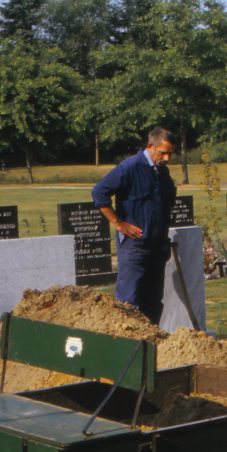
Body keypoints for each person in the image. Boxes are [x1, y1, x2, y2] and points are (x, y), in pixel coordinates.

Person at [91, 127, 177, 325]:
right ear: (150, 146)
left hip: (157, 247)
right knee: (128, 303)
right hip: (135, 247)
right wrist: (119, 223)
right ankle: (126, 351)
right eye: (163, 152)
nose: (167, 157)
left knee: (153, 302)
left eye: (170, 153)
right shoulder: (130, 167)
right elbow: (99, 193)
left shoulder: (162, 171)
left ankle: (149, 347)